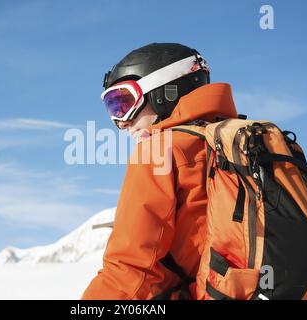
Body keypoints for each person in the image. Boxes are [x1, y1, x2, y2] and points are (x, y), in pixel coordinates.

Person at [82, 43, 238, 300]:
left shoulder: (157, 152)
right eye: (113, 108)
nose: (121, 122)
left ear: (164, 93)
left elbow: (129, 272)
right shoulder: (244, 145)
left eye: (124, 103)